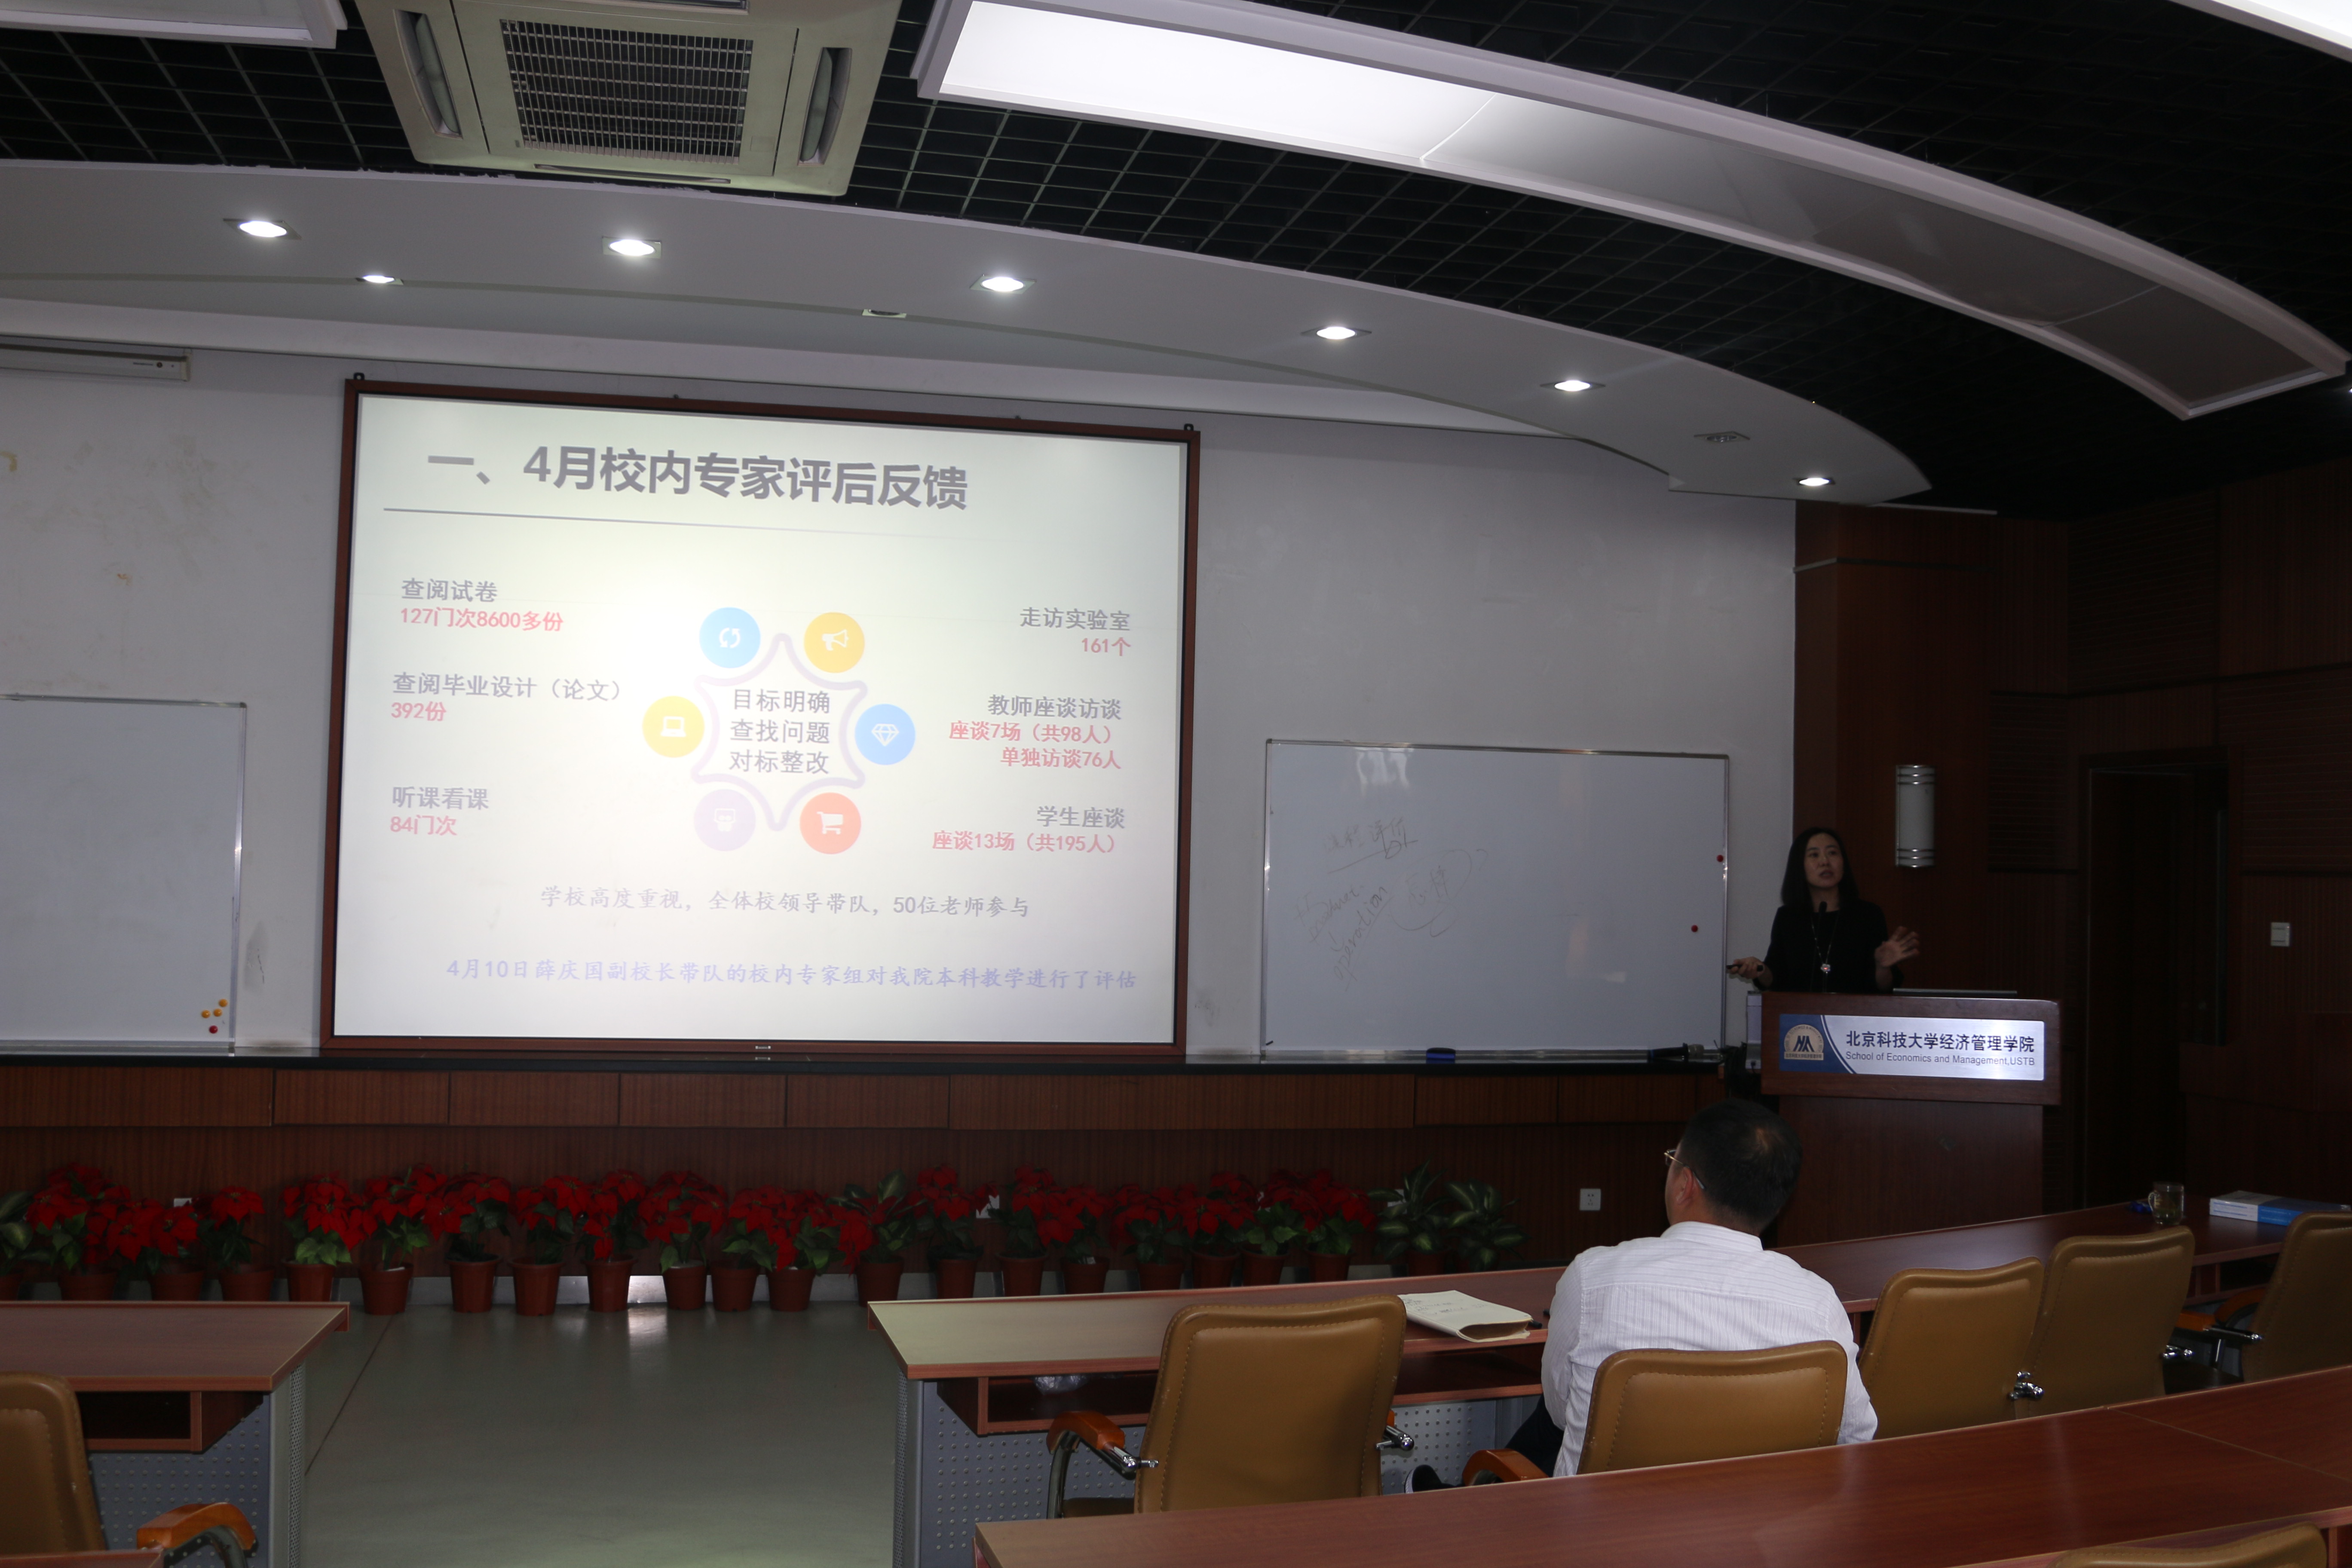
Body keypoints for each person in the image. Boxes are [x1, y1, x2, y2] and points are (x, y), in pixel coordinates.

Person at [1410, 1099, 1876, 1487]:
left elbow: (1560, 1409)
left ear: (1685, 1185)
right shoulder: (1818, 1303)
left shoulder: (1595, 1277)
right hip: (1760, 1537)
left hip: (1600, 1539)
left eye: (1673, 1161)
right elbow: (1856, 1435)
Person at [1728, 826, 1918, 993]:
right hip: (1801, 1021)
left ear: (1844, 863)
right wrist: (1760, 969)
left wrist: (1882, 967)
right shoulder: (1789, 917)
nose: (1825, 861)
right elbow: (1776, 979)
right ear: (1800, 866)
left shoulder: (1868, 915)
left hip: (1855, 1020)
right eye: (1814, 855)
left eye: (1832, 853)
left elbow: (1883, 988)